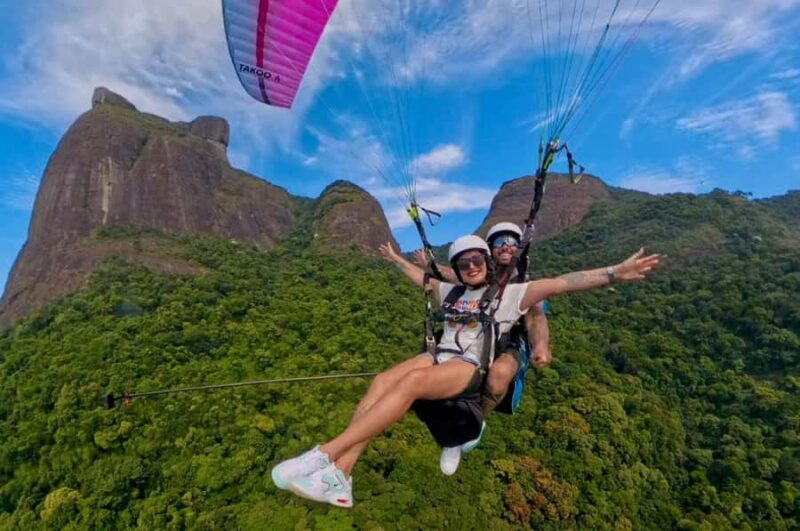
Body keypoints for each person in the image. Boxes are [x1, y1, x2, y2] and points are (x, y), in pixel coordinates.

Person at [271, 236, 660, 508]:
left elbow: (563, 283)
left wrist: (615, 272)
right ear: (457, 267)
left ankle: (323, 456)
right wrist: (396, 259)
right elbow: (423, 281)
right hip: (439, 355)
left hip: (469, 365)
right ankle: (341, 476)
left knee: (412, 383)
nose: (471, 267)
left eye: (477, 260)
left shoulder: (511, 294)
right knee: (383, 381)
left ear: (487, 263)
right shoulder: (453, 291)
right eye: (463, 263)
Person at [414, 222, 550, 474]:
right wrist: (429, 266)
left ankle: (473, 425)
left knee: (499, 374)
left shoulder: (523, 282)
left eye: (512, 242)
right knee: (435, 365)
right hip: (475, 334)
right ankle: (447, 418)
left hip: (507, 339)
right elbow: (453, 275)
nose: (506, 247)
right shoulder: (481, 273)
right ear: (489, 250)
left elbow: (536, 316)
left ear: (520, 248)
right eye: (499, 242)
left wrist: (541, 345)